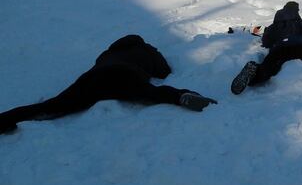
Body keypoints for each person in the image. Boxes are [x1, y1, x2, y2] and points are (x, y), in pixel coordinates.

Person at [0, 35, 216, 134]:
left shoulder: (108, 52)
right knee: (154, 93)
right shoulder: (148, 50)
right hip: (127, 76)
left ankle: (6, 119)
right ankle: (181, 96)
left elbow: (98, 62)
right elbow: (164, 71)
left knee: (55, 105)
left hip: (94, 77)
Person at [231, 1, 302, 94]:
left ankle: (254, 72)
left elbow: (266, 41)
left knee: (269, 68)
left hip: (281, 49)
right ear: (297, 11)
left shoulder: (274, 26)